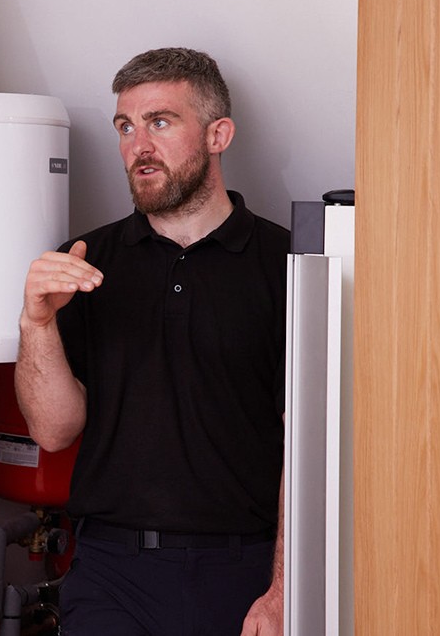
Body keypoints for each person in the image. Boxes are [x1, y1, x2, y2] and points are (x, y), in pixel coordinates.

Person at [14, 47, 288, 635]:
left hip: (243, 572)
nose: (138, 145)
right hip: (111, 572)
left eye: (160, 122)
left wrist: (284, 588)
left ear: (218, 135)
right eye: (125, 126)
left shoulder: (288, 265)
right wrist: (36, 324)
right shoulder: (84, 261)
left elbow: (308, 446)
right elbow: (53, 432)